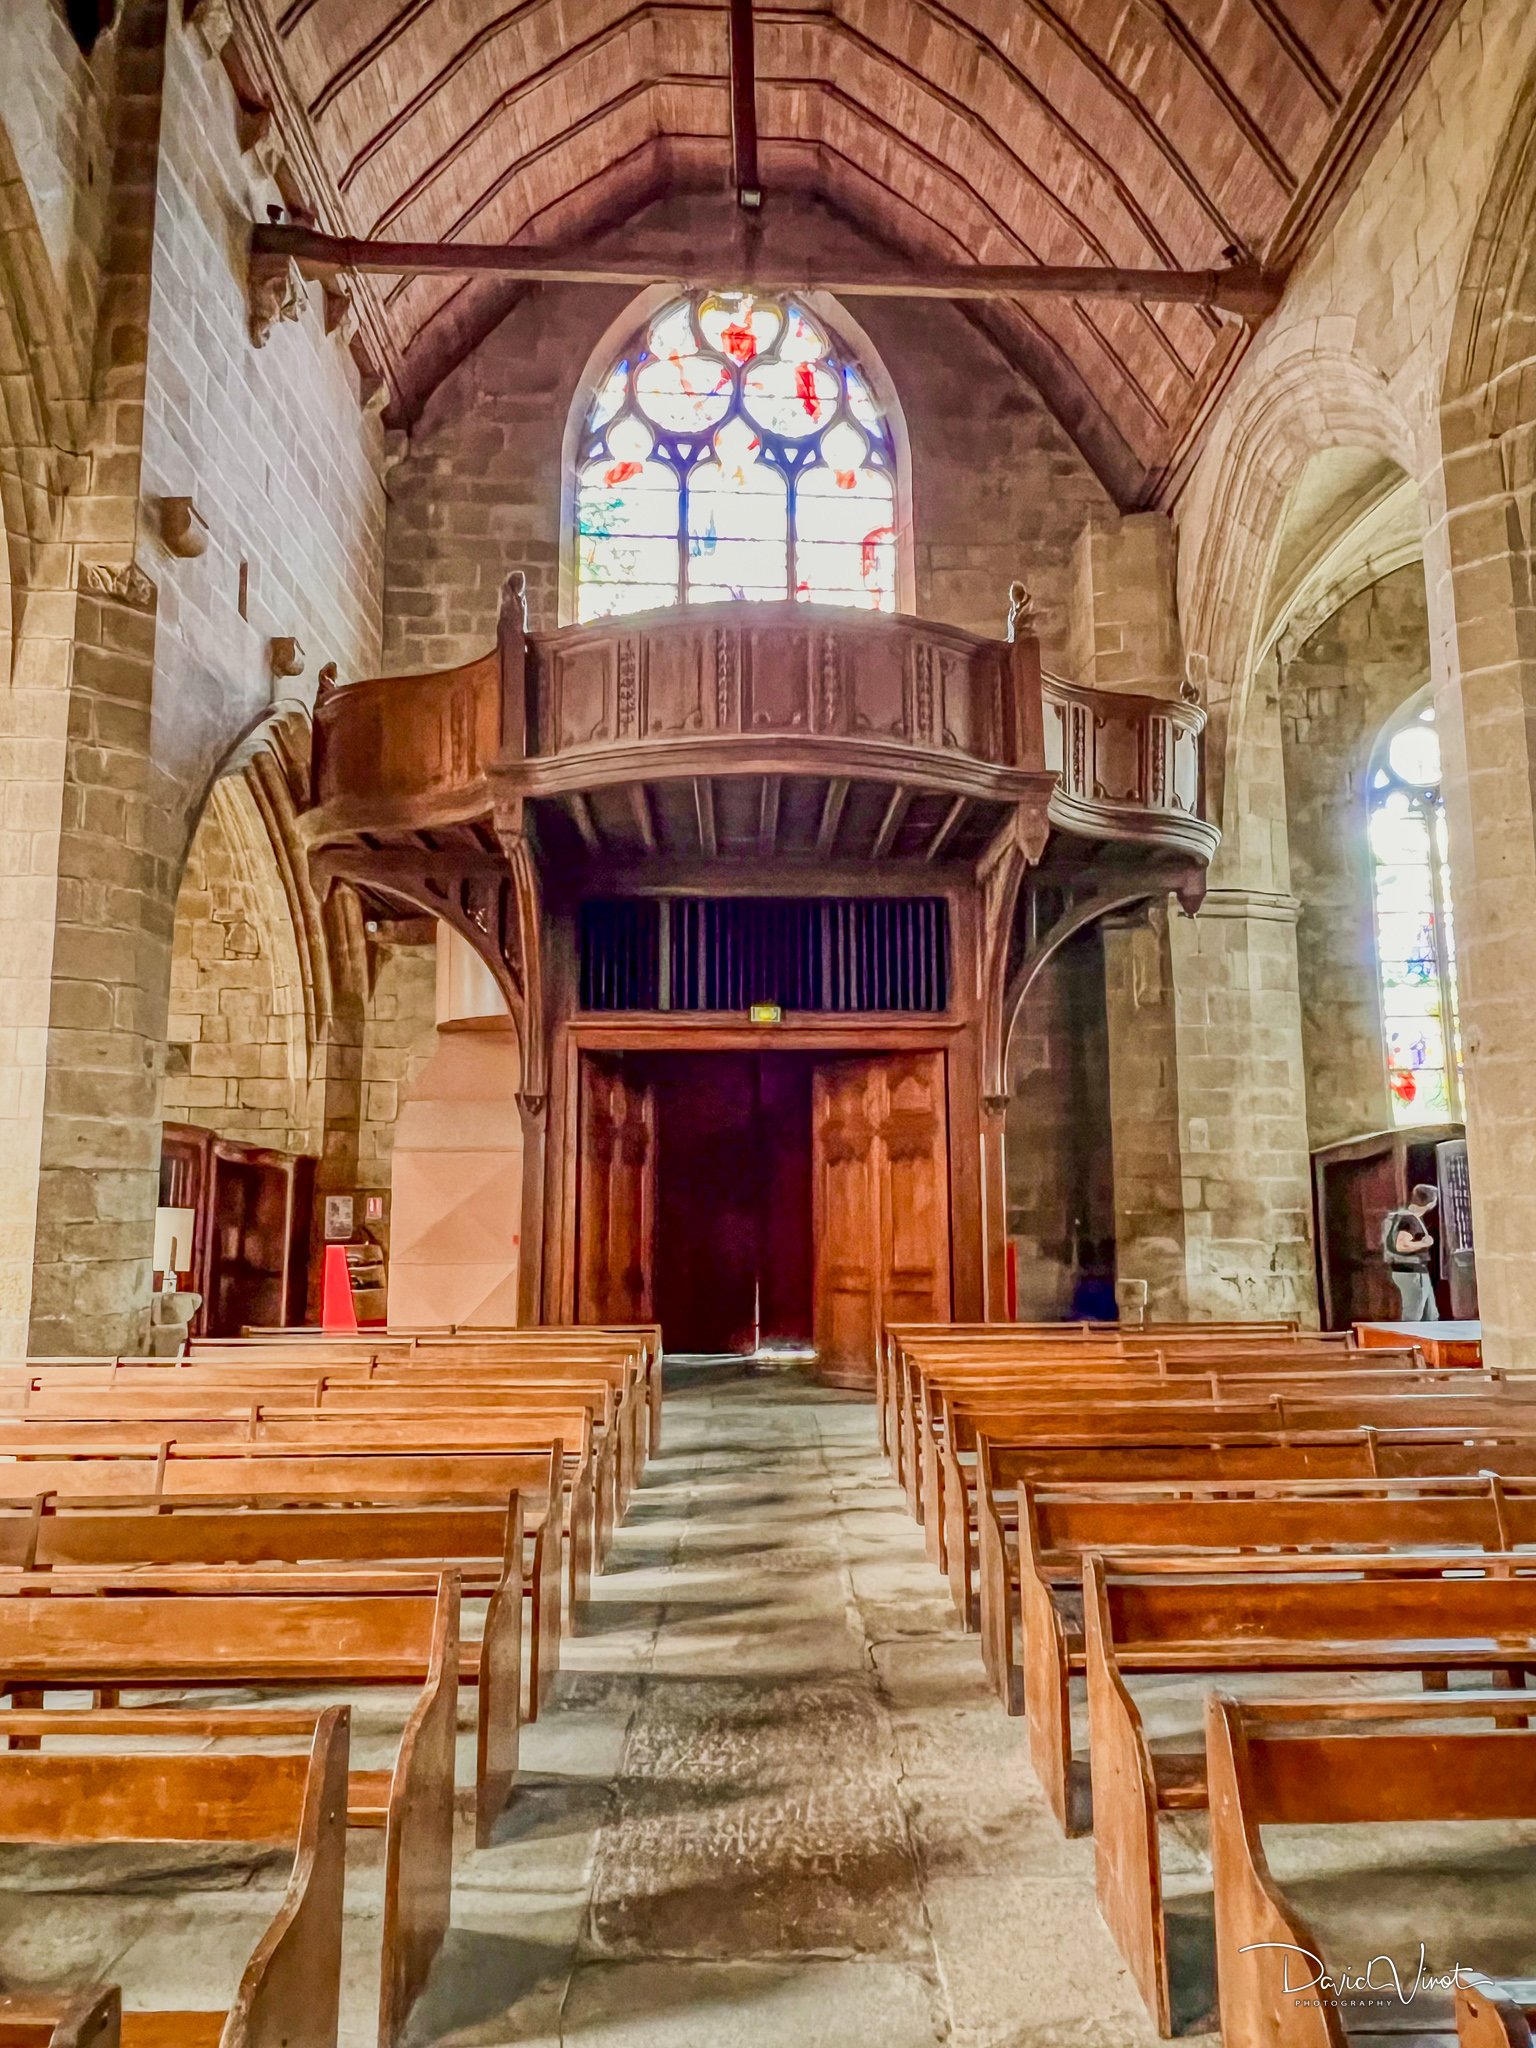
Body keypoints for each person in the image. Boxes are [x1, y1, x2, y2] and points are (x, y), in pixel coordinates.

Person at [1381, 1183, 1440, 1322]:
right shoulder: (1409, 1220)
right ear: (1430, 1203)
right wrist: (1424, 1243)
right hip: (1413, 1273)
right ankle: (1410, 1343)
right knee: (1413, 1317)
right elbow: (1401, 1246)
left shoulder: (1402, 1216)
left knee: (1430, 1315)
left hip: (1409, 1271)